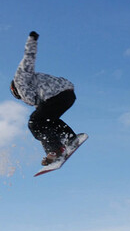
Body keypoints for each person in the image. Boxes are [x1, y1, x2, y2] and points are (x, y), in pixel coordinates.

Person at [10, 31, 80, 165]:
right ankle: (70, 138)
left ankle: (55, 150)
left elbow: (29, 58)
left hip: (57, 94)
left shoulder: (20, 78)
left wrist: (32, 40)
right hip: (68, 95)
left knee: (34, 122)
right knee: (47, 120)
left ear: (15, 91)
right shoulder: (36, 96)